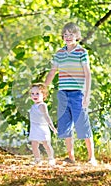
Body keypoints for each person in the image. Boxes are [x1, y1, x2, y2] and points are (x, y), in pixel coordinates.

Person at [44, 22, 97, 166]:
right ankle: (70, 158)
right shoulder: (59, 54)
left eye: (71, 34)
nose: (68, 37)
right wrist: (44, 88)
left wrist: (87, 96)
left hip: (77, 93)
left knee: (82, 125)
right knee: (65, 125)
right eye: (65, 35)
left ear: (77, 36)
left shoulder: (82, 52)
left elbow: (87, 74)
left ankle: (91, 158)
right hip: (63, 93)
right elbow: (52, 72)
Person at [28, 83, 57, 166]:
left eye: (37, 93)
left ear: (43, 95)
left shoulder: (42, 106)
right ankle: (37, 159)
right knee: (34, 144)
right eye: (32, 94)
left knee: (46, 144)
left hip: (42, 128)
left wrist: (52, 126)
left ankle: (51, 158)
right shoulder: (33, 105)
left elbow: (47, 117)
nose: (34, 95)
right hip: (34, 128)